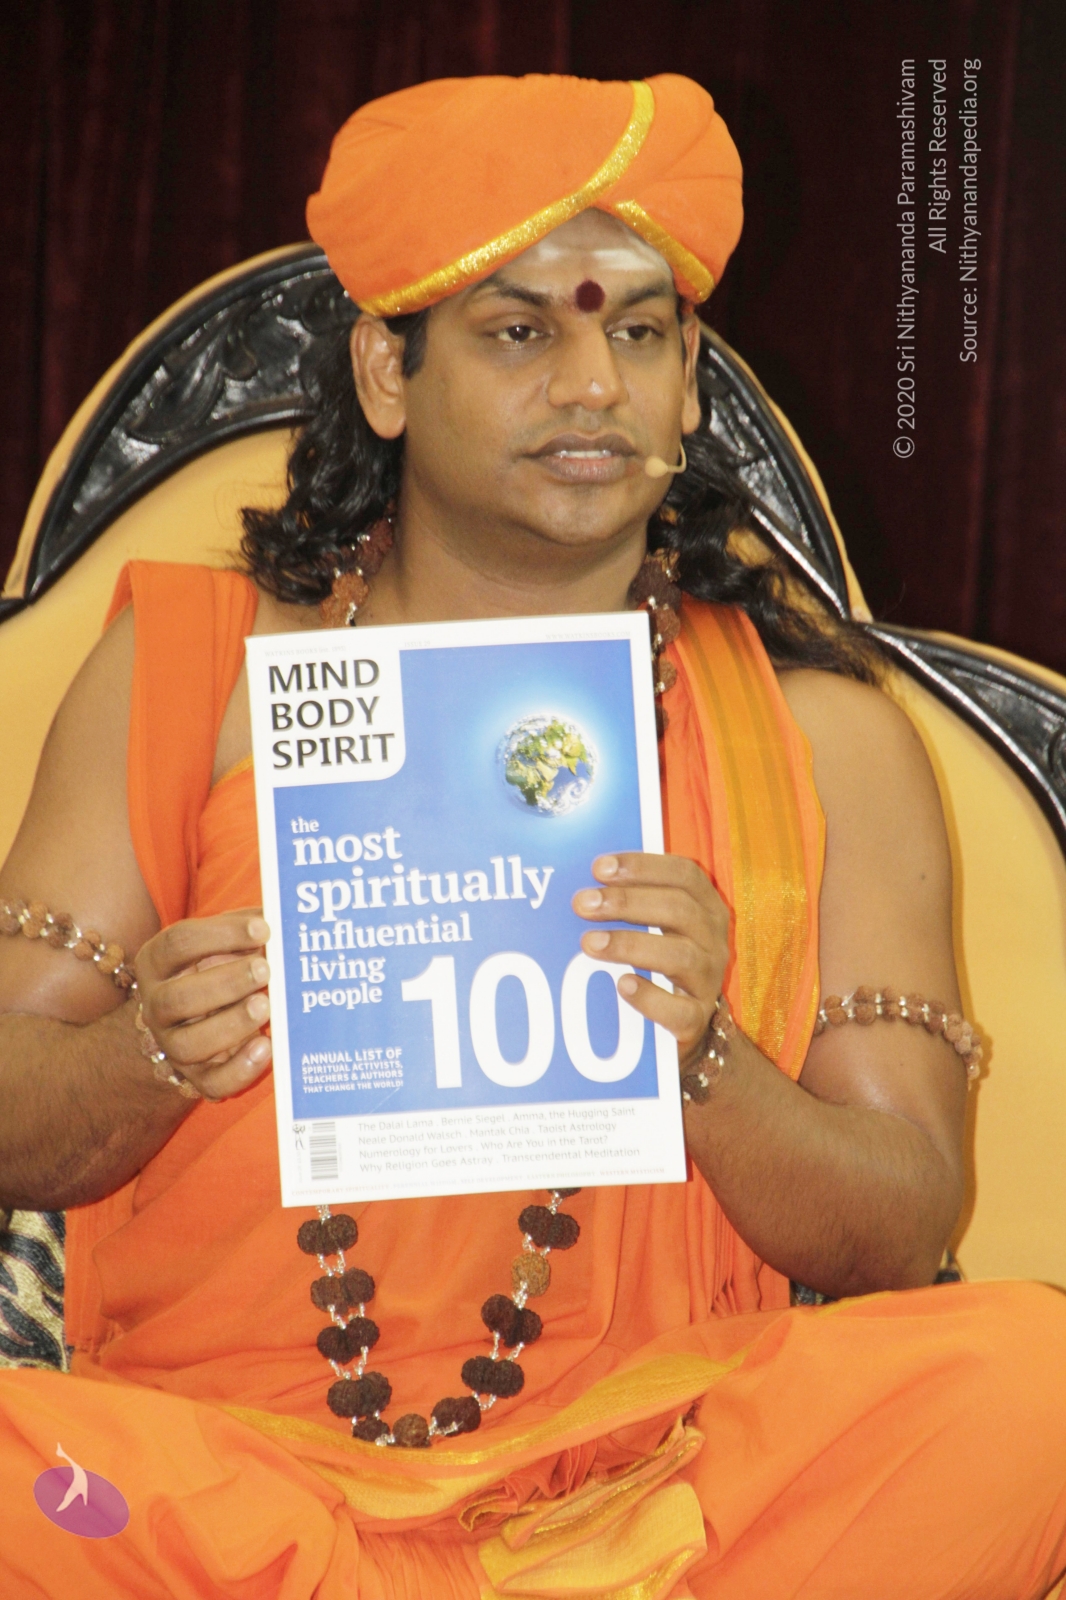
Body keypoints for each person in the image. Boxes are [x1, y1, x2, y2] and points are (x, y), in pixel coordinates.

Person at [0, 71, 1063, 1599]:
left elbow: (900, 1224)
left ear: (687, 381)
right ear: (386, 370)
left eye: (638, 333)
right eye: (519, 333)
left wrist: (705, 1061)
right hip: (217, 1489)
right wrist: (148, 1053)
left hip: (657, 1490)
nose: (590, 387)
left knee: (1032, 1385)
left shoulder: (823, 734)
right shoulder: (194, 669)